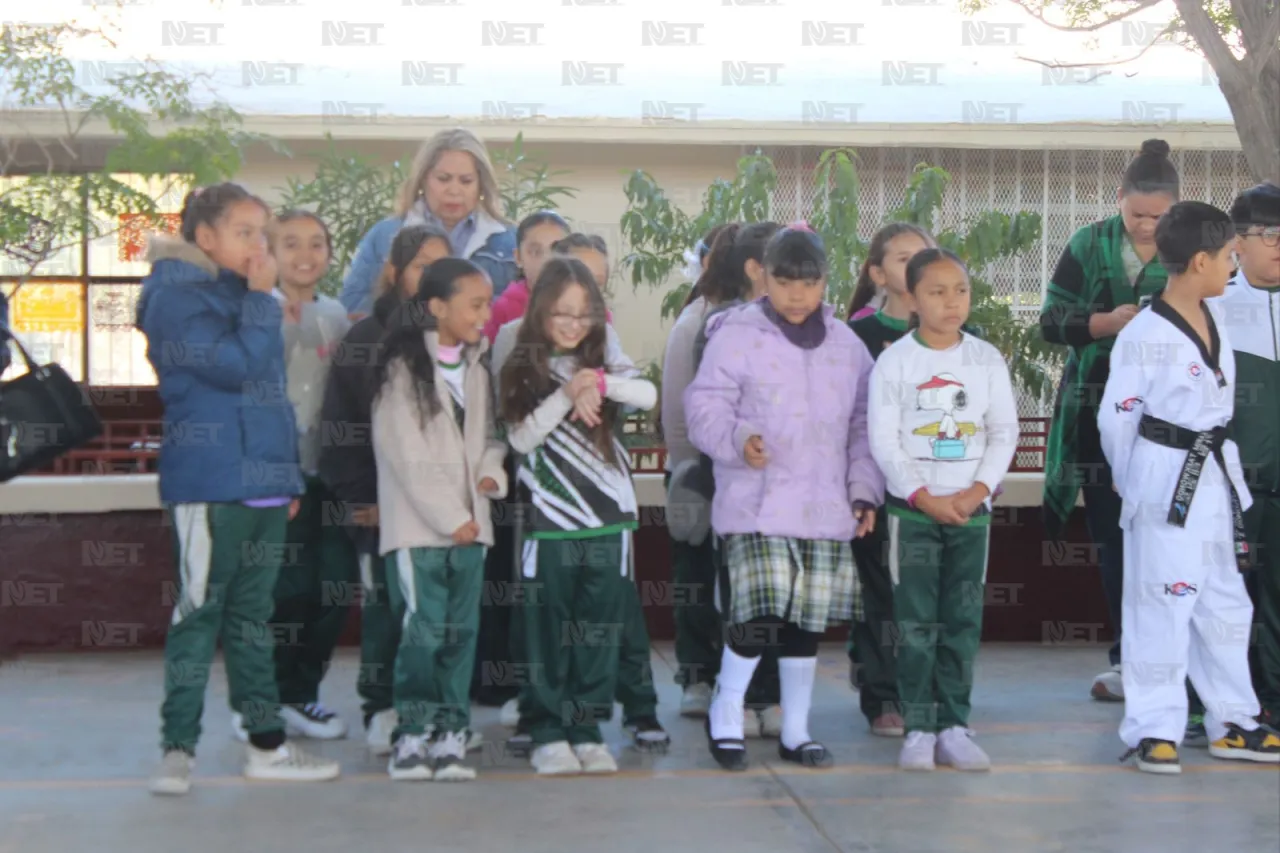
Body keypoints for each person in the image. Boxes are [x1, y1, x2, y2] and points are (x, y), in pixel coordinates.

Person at [137, 183, 340, 795]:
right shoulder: (174, 294)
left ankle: (266, 745)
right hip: (210, 481)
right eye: (246, 233)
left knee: (255, 618)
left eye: (262, 233)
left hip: (261, 485)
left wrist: (281, 476)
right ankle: (178, 750)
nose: (261, 246)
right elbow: (233, 367)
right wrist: (260, 300)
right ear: (205, 237)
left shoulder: (240, 295)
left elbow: (267, 393)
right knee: (200, 614)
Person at [685, 225, 883, 772]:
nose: (797, 295)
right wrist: (736, 440)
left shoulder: (848, 345)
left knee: (805, 621)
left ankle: (796, 730)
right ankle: (726, 709)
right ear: (763, 276)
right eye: (785, 281)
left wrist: (863, 490)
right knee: (759, 613)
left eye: (809, 282)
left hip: (824, 505)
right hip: (756, 501)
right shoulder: (734, 333)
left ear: (825, 282)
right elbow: (705, 404)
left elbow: (865, 424)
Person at [1097, 200, 1280, 773]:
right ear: (1200, 259)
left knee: (1225, 601)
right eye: (1227, 256)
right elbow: (1115, 419)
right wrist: (1139, 486)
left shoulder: (1217, 319)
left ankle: (1235, 721)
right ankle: (1154, 729)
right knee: (1163, 604)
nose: (1232, 266)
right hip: (1163, 476)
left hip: (1215, 479)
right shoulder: (1144, 333)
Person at [490, 234, 669, 754]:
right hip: (549, 521)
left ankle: (587, 730)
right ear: (540, 310)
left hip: (610, 519)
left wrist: (598, 383)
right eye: (561, 313)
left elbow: (648, 394)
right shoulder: (521, 361)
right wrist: (567, 394)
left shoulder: (602, 360)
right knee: (546, 631)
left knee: (597, 631)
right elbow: (520, 438)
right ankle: (547, 730)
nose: (572, 324)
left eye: (583, 314)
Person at [868, 248, 1019, 772]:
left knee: (960, 621)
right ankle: (919, 728)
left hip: (970, 513)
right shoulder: (896, 361)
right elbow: (884, 441)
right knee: (915, 623)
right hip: (913, 516)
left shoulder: (985, 358)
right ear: (912, 298)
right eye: (937, 291)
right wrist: (924, 498)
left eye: (961, 290)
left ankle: (954, 724)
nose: (952, 302)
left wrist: (977, 490)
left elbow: (1003, 432)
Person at [1040, 139, 1179, 703]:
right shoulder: (1087, 242)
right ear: (1118, 199)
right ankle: (1126, 660)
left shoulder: (1190, 248)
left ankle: (1175, 662)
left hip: (1172, 421)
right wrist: (1104, 322)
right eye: (1136, 216)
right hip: (1098, 416)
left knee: (1171, 545)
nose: (1147, 228)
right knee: (1116, 542)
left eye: (1158, 217)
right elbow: (1052, 320)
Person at [317, 224, 453, 754]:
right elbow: (341, 427)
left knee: (437, 610)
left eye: (442, 265)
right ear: (395, 272)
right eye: (421, 264)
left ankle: (437, 706)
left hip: (444, 509)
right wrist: (358, 498)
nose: (431, 276)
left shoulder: (458, 340)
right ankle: (381, 705)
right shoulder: (365, 340)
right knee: (387, 608)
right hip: (382, 507)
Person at [371, 257, 507, 781]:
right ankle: (412, 731)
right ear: (437, 307)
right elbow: (404, 454)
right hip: (419, 529)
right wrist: (451, 517)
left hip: (471, 529)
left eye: (488, 302)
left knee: (460, 634)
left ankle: (452, 729)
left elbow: (491, 438)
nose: (485, 313)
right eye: (475, 304)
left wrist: (492, 476)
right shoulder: (401, 369)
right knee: (421, 632)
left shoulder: (477, 365)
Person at [226, 210, 356, 744]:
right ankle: (259, 701)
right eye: (291, 243)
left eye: (317, 243)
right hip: (275, 478)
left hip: (329, 477)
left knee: (332, 589)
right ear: (269, 252)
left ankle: (302, 696)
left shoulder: (338, 315)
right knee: (279, 593)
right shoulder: (253, 310)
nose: (306, 254)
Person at [681, 221, 786, 738]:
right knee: (738, 591)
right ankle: (738, 694)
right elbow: (710, 409)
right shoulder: (721, 325)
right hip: (736, 482)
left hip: (789, 487)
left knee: (778, 593)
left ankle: (771, 694)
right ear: (754, 269)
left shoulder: (806, 327)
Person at [845, 222, 936, 739]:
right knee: (879, 593)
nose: (915, 265)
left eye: (924, 255)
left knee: (929, 594)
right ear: (878, 273)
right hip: (878, 489)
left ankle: (931, 689)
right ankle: (882, 696)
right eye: (902, 258)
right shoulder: (857, 338)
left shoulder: (954, 334)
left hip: (936, 488)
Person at [1209, 183, 1280, 740]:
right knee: (1231, 603)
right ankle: (1230, 707)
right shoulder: (1214, 310)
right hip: (1235, 487)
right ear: (1238, 242)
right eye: (1270, 235)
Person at [663, 224, 742, 717]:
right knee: (694, 576)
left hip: (750, 480)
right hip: (698, 473)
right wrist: (690, 473)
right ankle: (697, 675)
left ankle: (742, 679)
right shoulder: (695, 321)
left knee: (742, 585)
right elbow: (675, 412)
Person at [339, 128, 518, 316]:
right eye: (443, 179)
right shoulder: (386, 234)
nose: (454, 190)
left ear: (481, 185)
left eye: (466, 181)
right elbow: (352, 303)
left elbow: (525, 311)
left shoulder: (509, 241)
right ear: (423, 179)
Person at [481, 210, 571, 343]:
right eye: (535, 252)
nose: (546, 260)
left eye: (557, 251)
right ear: (518, 257)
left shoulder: (587, 304)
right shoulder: (502, 309)